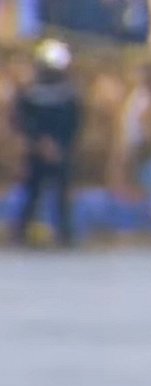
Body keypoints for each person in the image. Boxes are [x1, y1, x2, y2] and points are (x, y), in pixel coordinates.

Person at [11, 38, 82, 248]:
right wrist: (39, 143)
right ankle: (22, 231)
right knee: (32, 192)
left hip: (61, 150)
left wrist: (60, 145)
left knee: (62, 193)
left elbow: (74, 124)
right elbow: (22, 121)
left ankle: (65, 232)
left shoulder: (69, 94)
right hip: (37, 151)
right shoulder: (30, 93)